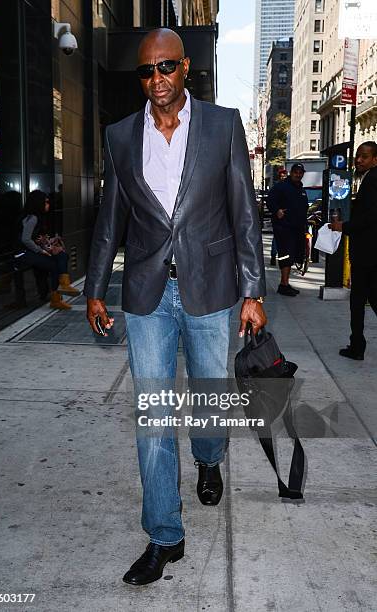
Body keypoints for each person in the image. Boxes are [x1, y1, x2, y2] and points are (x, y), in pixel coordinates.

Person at [84, 28, 267, 586]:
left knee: (209, 393)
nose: (156, 79)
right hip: (145, 293)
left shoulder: (222, 125)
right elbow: (110, 218)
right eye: (146, 71)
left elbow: (243, 211)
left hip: (211, 287)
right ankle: (165, 535)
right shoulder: (120, 136)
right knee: (155, 415)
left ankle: (208, 458)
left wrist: (254, 291)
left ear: (186, 67)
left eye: (165, 67)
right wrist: (95, 286)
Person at [330, 141, 377, 360]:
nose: (358, 160)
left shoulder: (373, 180)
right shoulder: (368, 178)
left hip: (367, 254)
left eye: (364, 156)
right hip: (369, 254)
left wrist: (343, 227)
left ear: (375, 159)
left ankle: (357, 347)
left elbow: (370, 218)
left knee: (357, 302)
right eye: (358, 155)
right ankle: (356, 344)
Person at [18, 190, 79, 309]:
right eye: (45, 202)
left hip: (32, 251)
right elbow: (26, 240)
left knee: (62, 255)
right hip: (23, 253)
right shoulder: (32, 218)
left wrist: (49, 243)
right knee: (55, 264)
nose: (48, 204)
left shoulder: (39, 217)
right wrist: (42, 250)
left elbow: (37, 238)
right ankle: (58, 293)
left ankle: (63, 286)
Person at [267, 163, 309, 295]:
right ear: (291, 172)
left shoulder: (300, 188)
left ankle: (285, 283)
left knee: (293, 255)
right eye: (295, 172)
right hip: (284, 227)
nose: (298, 174)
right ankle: (283, 285)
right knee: (286, 255)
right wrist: (277, 211)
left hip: (297, 228)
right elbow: (270, 200)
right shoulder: (282, 186)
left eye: (300, 172)